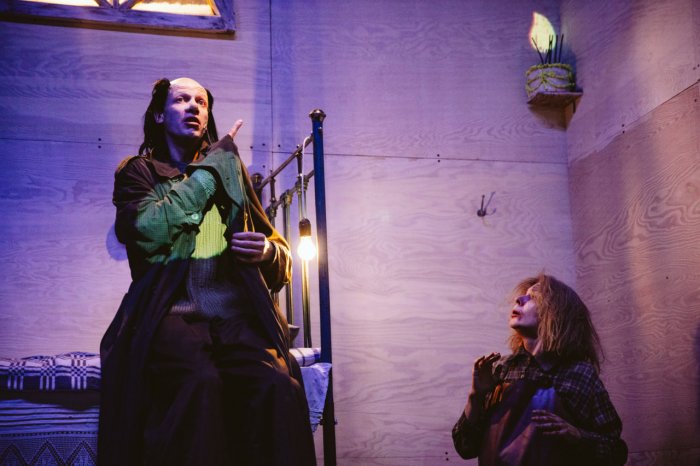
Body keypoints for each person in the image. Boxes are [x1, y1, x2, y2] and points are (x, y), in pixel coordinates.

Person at [98, 77, 316, 466]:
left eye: (201, 102)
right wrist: (211, 170)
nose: (194, 107)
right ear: (160, 115)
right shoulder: (139, 172)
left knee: (278, 384)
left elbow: (281, 259)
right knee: (200, 382)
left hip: (234, 320)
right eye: (181, 99)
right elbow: (149, 229)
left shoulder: (231, 174)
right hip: (169, 315)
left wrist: (266, 251)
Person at [452, 273, 628, 466]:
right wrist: (476, 395)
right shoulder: (500, 369)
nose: (519, 300)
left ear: (557, 313)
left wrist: (578, 436)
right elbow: (465, 448)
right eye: (523, 296)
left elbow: (616, 452)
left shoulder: (580, 374)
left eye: (533, 297)